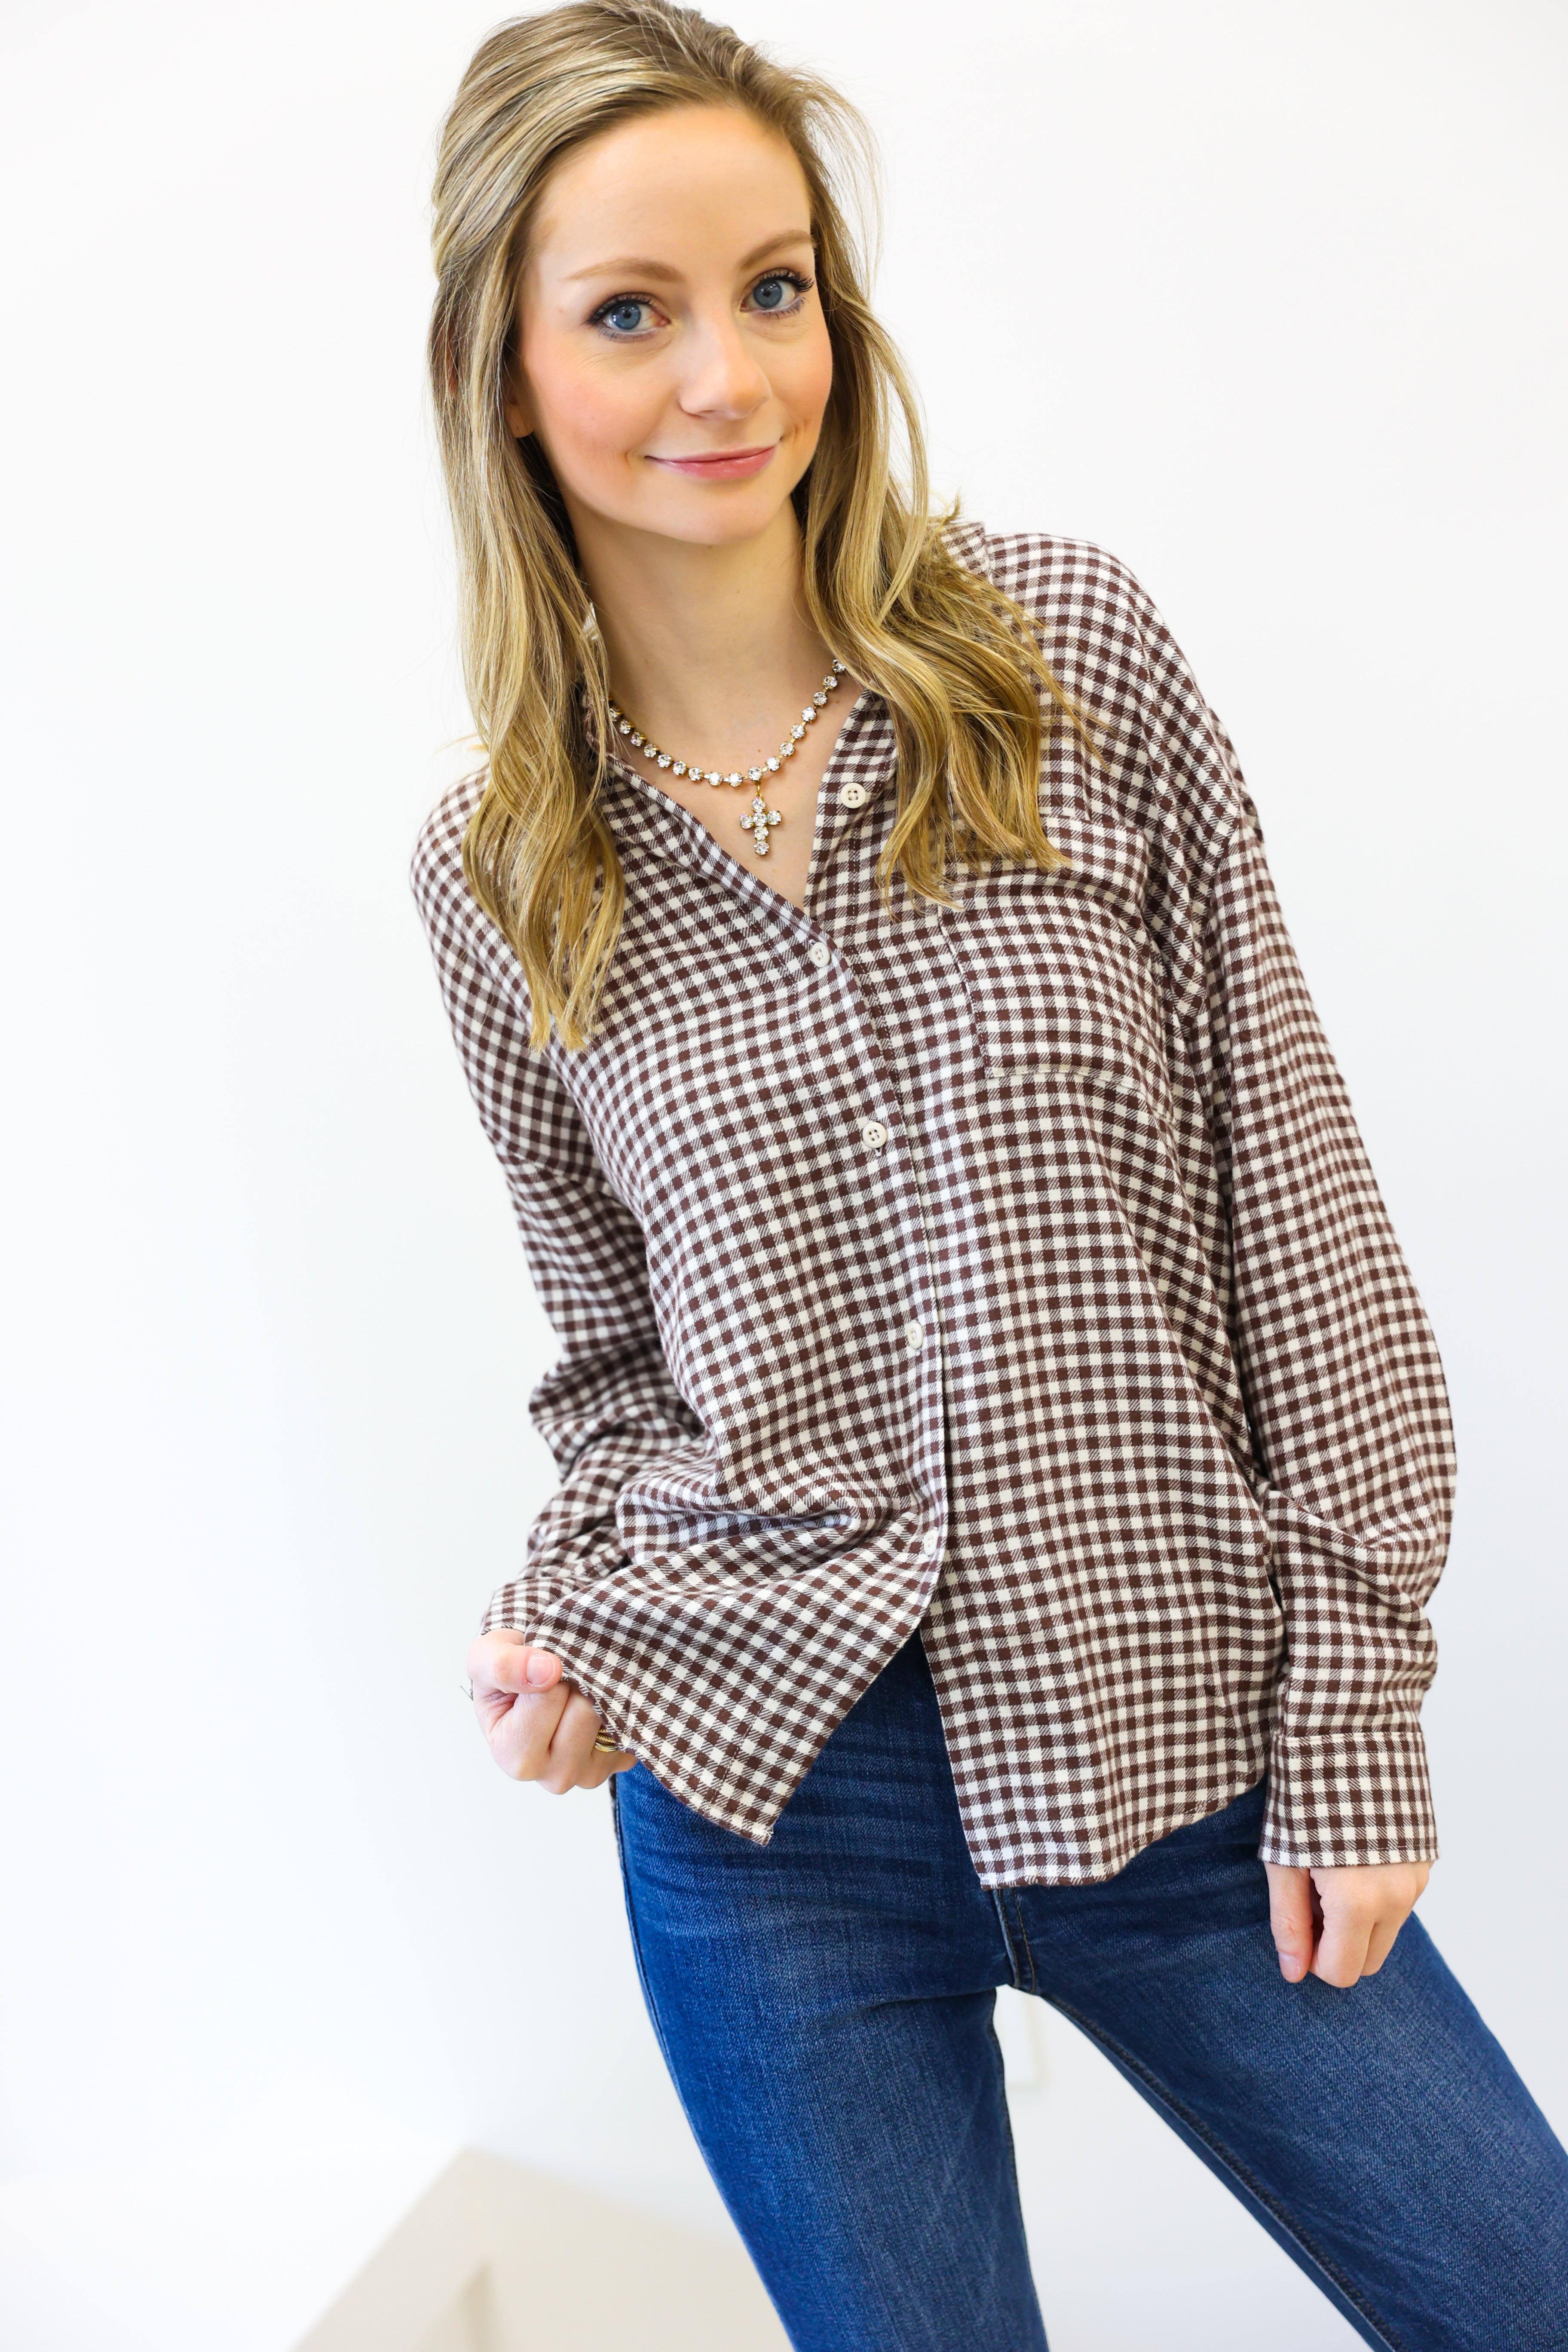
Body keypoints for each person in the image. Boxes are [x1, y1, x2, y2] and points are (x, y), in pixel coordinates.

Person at [412, 5, 1568, 2344]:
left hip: (1188, 1749)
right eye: (630, 311)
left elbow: (1300, 1214)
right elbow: (622, 1374)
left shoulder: (1066, 664)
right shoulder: (497, 868)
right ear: (503, 372)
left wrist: (1352, 1713)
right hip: (773, 1830)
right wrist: (567, 1614)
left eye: (777, 285)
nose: (727, 371)